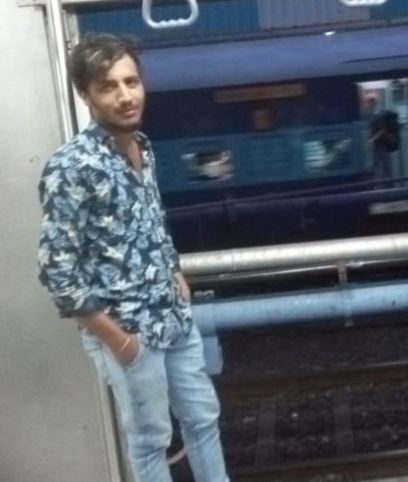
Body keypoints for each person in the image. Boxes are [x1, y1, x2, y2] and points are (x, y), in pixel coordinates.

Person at [37, 33, 228, 482]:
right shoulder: (71, 167)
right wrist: (121, 342)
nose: (125, 96)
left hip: (173, 317)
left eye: (131, 81)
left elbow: (149, 220)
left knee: (203, 419)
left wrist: (174, 270)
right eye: (108, 86)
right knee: (150, 443)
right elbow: (56, 271)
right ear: (86, 95)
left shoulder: (143, 146)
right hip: (128, 332)